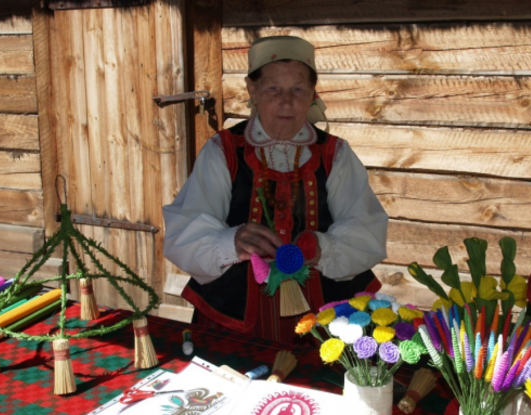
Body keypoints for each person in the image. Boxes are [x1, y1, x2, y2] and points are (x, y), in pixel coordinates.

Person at [163, 36, 388, 344]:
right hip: (233, 319)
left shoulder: (335, 154)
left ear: (312, 94)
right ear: (252, 90)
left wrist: (323, 248)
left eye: (298, 89)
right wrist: (232, 241)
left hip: (326, 325)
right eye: (273, 88)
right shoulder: (223, 150)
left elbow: (367, 231)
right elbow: (184, 235)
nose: (287, 101)